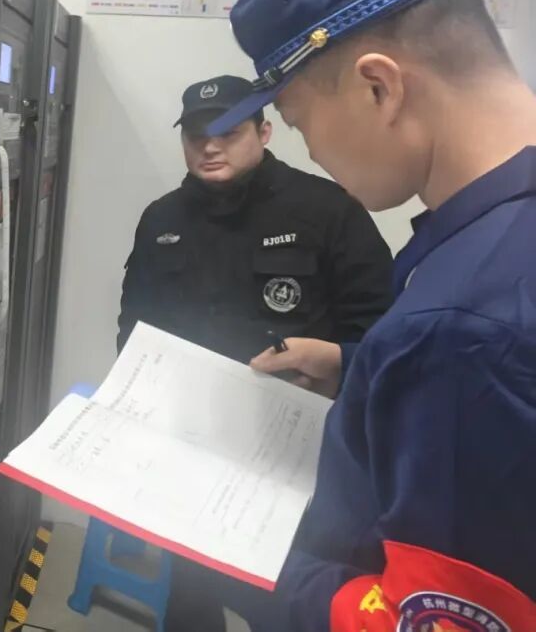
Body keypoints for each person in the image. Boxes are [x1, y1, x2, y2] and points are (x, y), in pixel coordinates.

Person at [209, 0, 536, 630]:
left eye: (300, 124)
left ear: (379, 87)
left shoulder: (457, 327)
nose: (312, 153)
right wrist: (359, 370)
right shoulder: (497, 245)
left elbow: (425, 621)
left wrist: (238, 554)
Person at [118, 75, 394, 630]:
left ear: (264, 132)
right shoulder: (163, 219)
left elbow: (382, 333)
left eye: (228, 132)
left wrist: (334, 370)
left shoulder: (327, 211)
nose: (210, 146)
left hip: (298, 461)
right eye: (196, 135)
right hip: (191, 447)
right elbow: (133, 331)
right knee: (190, 597)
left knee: (288, 600)